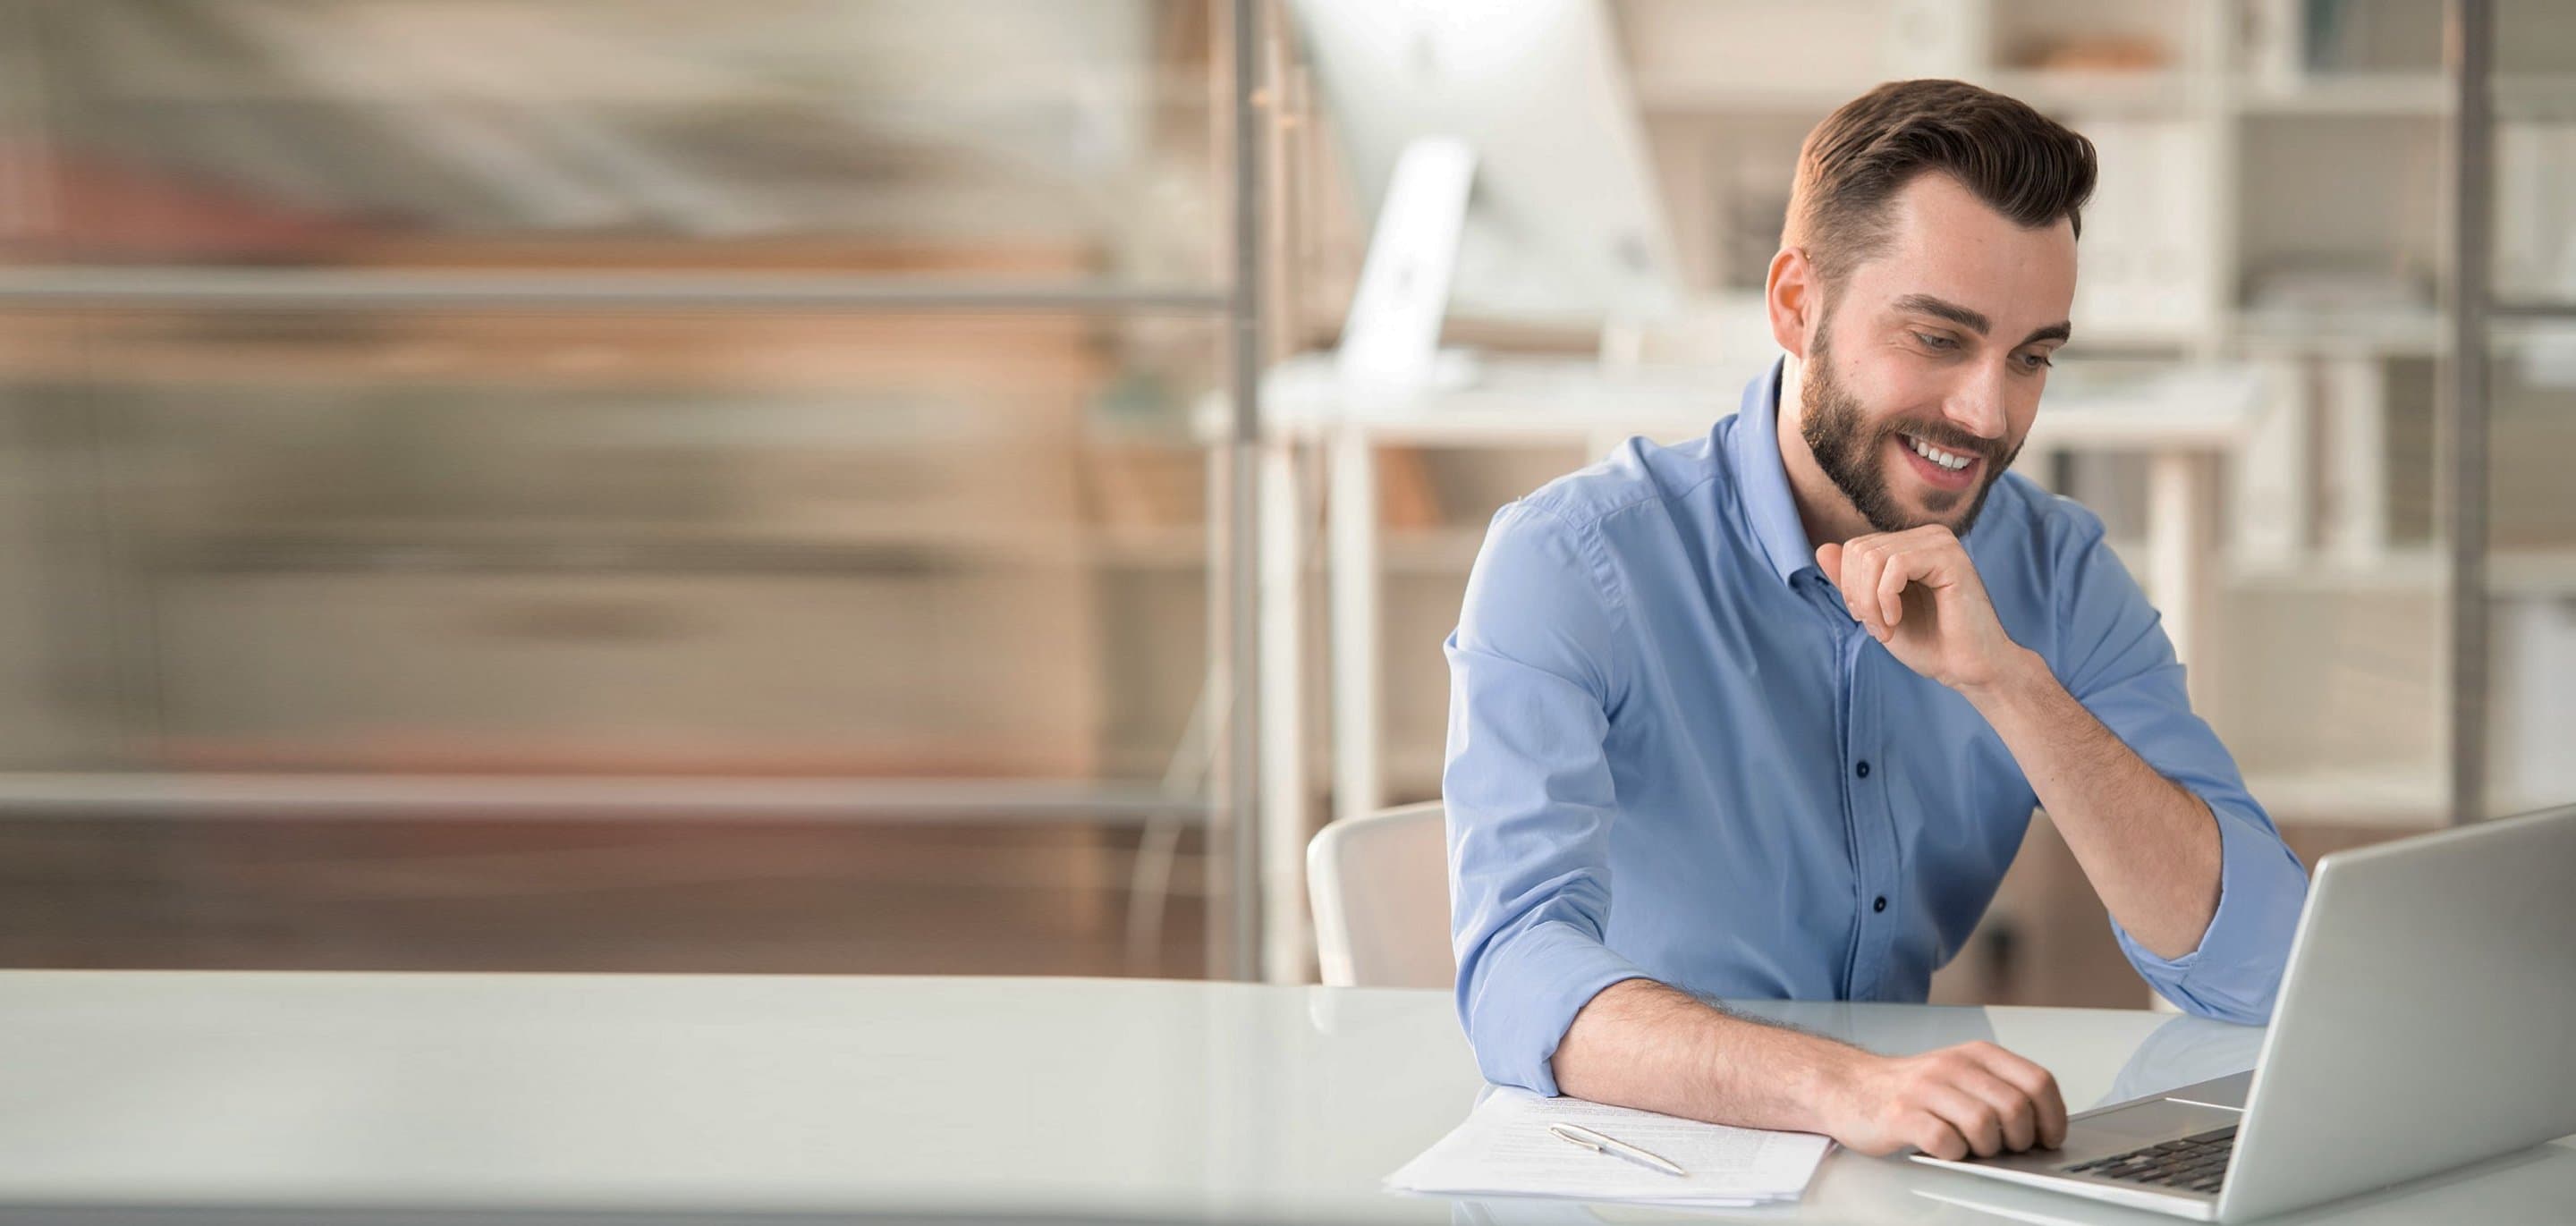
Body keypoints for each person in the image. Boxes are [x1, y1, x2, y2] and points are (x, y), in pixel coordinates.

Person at [1442, 79, 2308, 1163]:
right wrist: (1843, 1089)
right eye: (1940, 339)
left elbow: (2266, 966)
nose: (1989, 416)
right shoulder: (1572, 561)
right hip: (1639, 1159)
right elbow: (1519, 975)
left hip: (1895, 1169)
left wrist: (2010, 685)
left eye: (2032, 356)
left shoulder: (2057, 569)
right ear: (1797, 305)